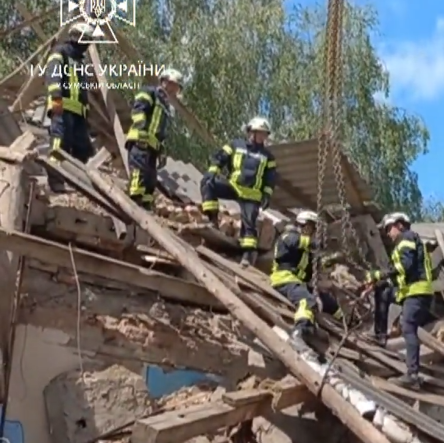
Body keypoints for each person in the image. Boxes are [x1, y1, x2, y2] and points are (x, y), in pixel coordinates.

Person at [200, 117, 279, 266]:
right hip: (233, 186)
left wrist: (267, 195)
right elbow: (220, 158)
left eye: (265, 134)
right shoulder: (235, 145)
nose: (263, 137)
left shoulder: (269, 157)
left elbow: (270, 179)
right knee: (207, 183)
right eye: (260, 133)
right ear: (251, 132)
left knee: (249, 225)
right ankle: (212, 220)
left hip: (251, 194)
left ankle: (247, 256)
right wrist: (213, 172)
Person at [270, 211, 342, 352]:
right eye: (312, 227)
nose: (313, 231)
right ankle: (299, 333)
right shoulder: (288, 236)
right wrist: (318, 244)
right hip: (284, 280)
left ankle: (347, 324)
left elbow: (313, 266)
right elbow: (297, 242)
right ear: (303, 225)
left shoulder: (305, 249)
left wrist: (331, 260)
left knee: (329, 302)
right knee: (307, 301)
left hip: (299, 283)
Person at [378, 212, 434, 387]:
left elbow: (406, 266)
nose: (388, 233)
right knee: (383, 292)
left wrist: (383, 273)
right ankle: (379, 335)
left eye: (389, 228)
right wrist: (383, 279)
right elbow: (398, 274)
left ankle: (412, 375)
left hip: (416, 292)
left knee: (408, 328)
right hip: (407, 291)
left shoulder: (407, 238)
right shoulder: (402, 244)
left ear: (400, 225)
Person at [45, 22, 95, 192]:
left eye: (89, 40)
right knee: (60, 144)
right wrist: (56, 98)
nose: (87, 43)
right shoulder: (60, 52)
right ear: (75, 36)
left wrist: (86, 113)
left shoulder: (80, 61)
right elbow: (53, 75)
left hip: (78, 113)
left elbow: (82, 90)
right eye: (85, 39)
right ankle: (56, 180)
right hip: (62, 108)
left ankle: (76, 182)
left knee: (84, 149)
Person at [126, 68, 184, 211]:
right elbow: (138, 110)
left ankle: (146, 206)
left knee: (150, 180)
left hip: (152, 148)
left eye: (177, 88)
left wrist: (162, 151)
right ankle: (134, 203)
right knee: (138, 175)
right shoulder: (149, 92)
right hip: (140, 143)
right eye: (174, 85)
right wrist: (141, 131)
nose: (175, 90)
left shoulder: (166, 107)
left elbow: (161, 132)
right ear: (165, 81)